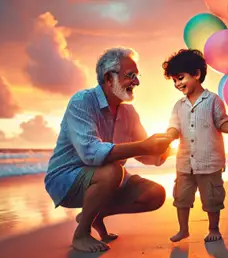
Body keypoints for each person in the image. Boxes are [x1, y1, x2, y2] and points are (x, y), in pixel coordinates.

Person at [44, 47, 172, 253]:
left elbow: (145, 154)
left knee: (155, 194)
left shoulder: (129, 112)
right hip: (65, 179)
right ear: (108, 77)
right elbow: (91, 153)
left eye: (137, 76)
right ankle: (81, 233)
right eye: (131, 76)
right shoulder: (82, 101)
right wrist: (145, 145)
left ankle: (94, 213)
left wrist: (169, 147)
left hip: (109, 178)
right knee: (113, 170)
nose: (137, 82)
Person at [161, 49, 228, 243]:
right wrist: (168, 136)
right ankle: (183, 229)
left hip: (209, 162)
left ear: (196, 74)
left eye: (180, 78)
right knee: (181, 197)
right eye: (174, 81)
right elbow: (174, 126)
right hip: (184, 162)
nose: (178, 84)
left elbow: (221, 123)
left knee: (212, 198)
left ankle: (213, 228)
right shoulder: (179, 105)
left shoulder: (212, 100)